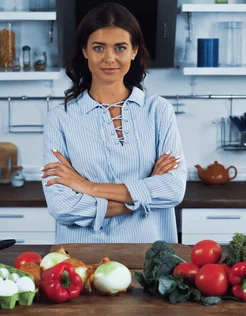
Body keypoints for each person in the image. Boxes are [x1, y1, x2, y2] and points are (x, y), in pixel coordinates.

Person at [41, 2, 187, 243]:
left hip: (150, 257)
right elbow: (61, 206)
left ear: (134, 51)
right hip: (82, 262)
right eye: (99, 48)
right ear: (85, 51)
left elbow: (173, 189)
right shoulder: (61, 117)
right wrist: (145, 192)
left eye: (120, 48)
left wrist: (88, 187)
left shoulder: (158, 110)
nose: (109, 58)